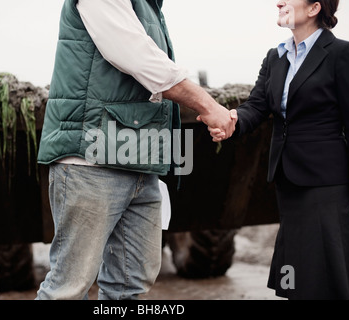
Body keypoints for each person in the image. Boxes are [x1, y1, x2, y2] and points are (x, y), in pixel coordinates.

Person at [35, 0, 236, 300]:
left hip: (140, 163)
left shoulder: (149, 7)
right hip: (92, 161)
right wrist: (209, 105)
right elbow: (142, 61)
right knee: (68, 289)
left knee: (129, 287)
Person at [209, 0, 349, 300]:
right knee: (296, 277)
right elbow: (256, 106)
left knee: (326, 281)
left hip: (327, 186)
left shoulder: (342, 54)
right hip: (288, 182)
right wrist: (231, 122)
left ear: (314, 8)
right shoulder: (275, 57)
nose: (278, 2)